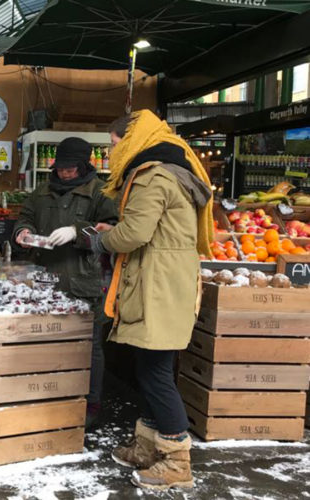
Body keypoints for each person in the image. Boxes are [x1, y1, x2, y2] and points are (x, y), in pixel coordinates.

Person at [89, 110, 214, 491]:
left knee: (157, 373)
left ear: (132, 139)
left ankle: (177, 464)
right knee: (149, 368)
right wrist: (118, 230)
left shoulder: (152, 175)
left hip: (157, 287)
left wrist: (100, 239)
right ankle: (147, 447)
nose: (113, 154)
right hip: (164, 283)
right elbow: (151, 228)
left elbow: (135, 234)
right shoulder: (173, 170)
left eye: (114, 145)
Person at [13, 137, 118, 427]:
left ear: (84, 166)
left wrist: (78, 232)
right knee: (47, 343)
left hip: (85, 282)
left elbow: (113, 232)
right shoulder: (42, 191)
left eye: (71, 168)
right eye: (60, 168)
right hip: (44, 282)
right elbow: (25, 217)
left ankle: (90, 405)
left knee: (89, 347)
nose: (65, 173)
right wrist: (23, 232)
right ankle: (49, 399)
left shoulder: (100, 193)